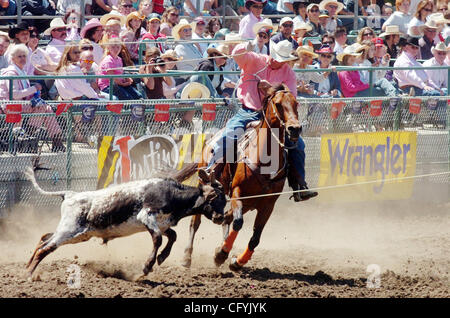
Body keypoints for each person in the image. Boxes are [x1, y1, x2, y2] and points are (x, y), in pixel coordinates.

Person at [203, 39, 318, 201]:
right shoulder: (255, 60)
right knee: (230, 134)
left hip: (274, 116)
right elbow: (237, 54)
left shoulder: (288, 73)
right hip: (249, 111)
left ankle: (299, 184)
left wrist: (269, 89)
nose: (279, 62)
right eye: (278, 58)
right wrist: (246, 46)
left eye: (283, 60)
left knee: (298, 144)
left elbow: (290, 97)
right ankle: (212, 170)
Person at [0, 44, 65, 152]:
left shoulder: (22, 72)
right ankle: (30, 136)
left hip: (21, 105)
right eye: (19, 56)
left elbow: (23, 94)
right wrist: (34, 88)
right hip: (10, 106)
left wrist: (34, 94)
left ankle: (52, 140)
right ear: (13, 59)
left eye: (24, 56)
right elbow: (15, 95)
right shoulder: (11, 72)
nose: (22, 59)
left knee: (45, 107)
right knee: (43, 107)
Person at [97, 36, 143, 100]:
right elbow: (112, 78)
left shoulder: (119, 59)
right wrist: (122, 84)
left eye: (118, 47)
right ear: (108, 48)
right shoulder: (108, 60)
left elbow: (120, 74)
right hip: (108, 86)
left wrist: (127, 79)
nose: (116, 49)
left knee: (138, 95)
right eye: (113, 47)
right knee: (128, 98)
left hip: (118, 84)